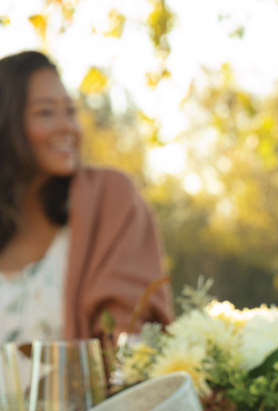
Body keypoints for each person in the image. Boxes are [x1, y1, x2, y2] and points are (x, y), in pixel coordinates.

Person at [0, 50, 171, 347]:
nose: (68, 127)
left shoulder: (110, 198)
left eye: (70, 111)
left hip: (88, 394)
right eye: (46, 112)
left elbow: (130, 332)